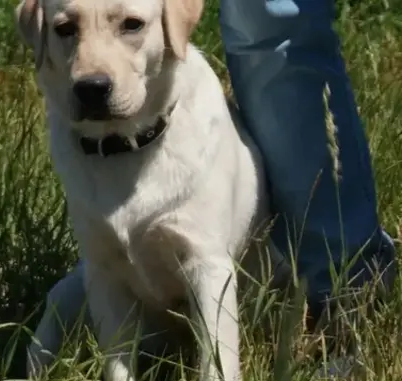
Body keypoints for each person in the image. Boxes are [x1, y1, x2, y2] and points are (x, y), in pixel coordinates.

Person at [28, 0, 397, 376]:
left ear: (176, 24)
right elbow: (103, 273)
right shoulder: (65, 130)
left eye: (132, 26)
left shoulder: (202, 117)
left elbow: (210, 268)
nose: (92, 72)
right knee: (91, 277)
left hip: (256, 291)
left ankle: (345, 300)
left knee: (274, 24)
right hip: (136, 288)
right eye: (65, 30)